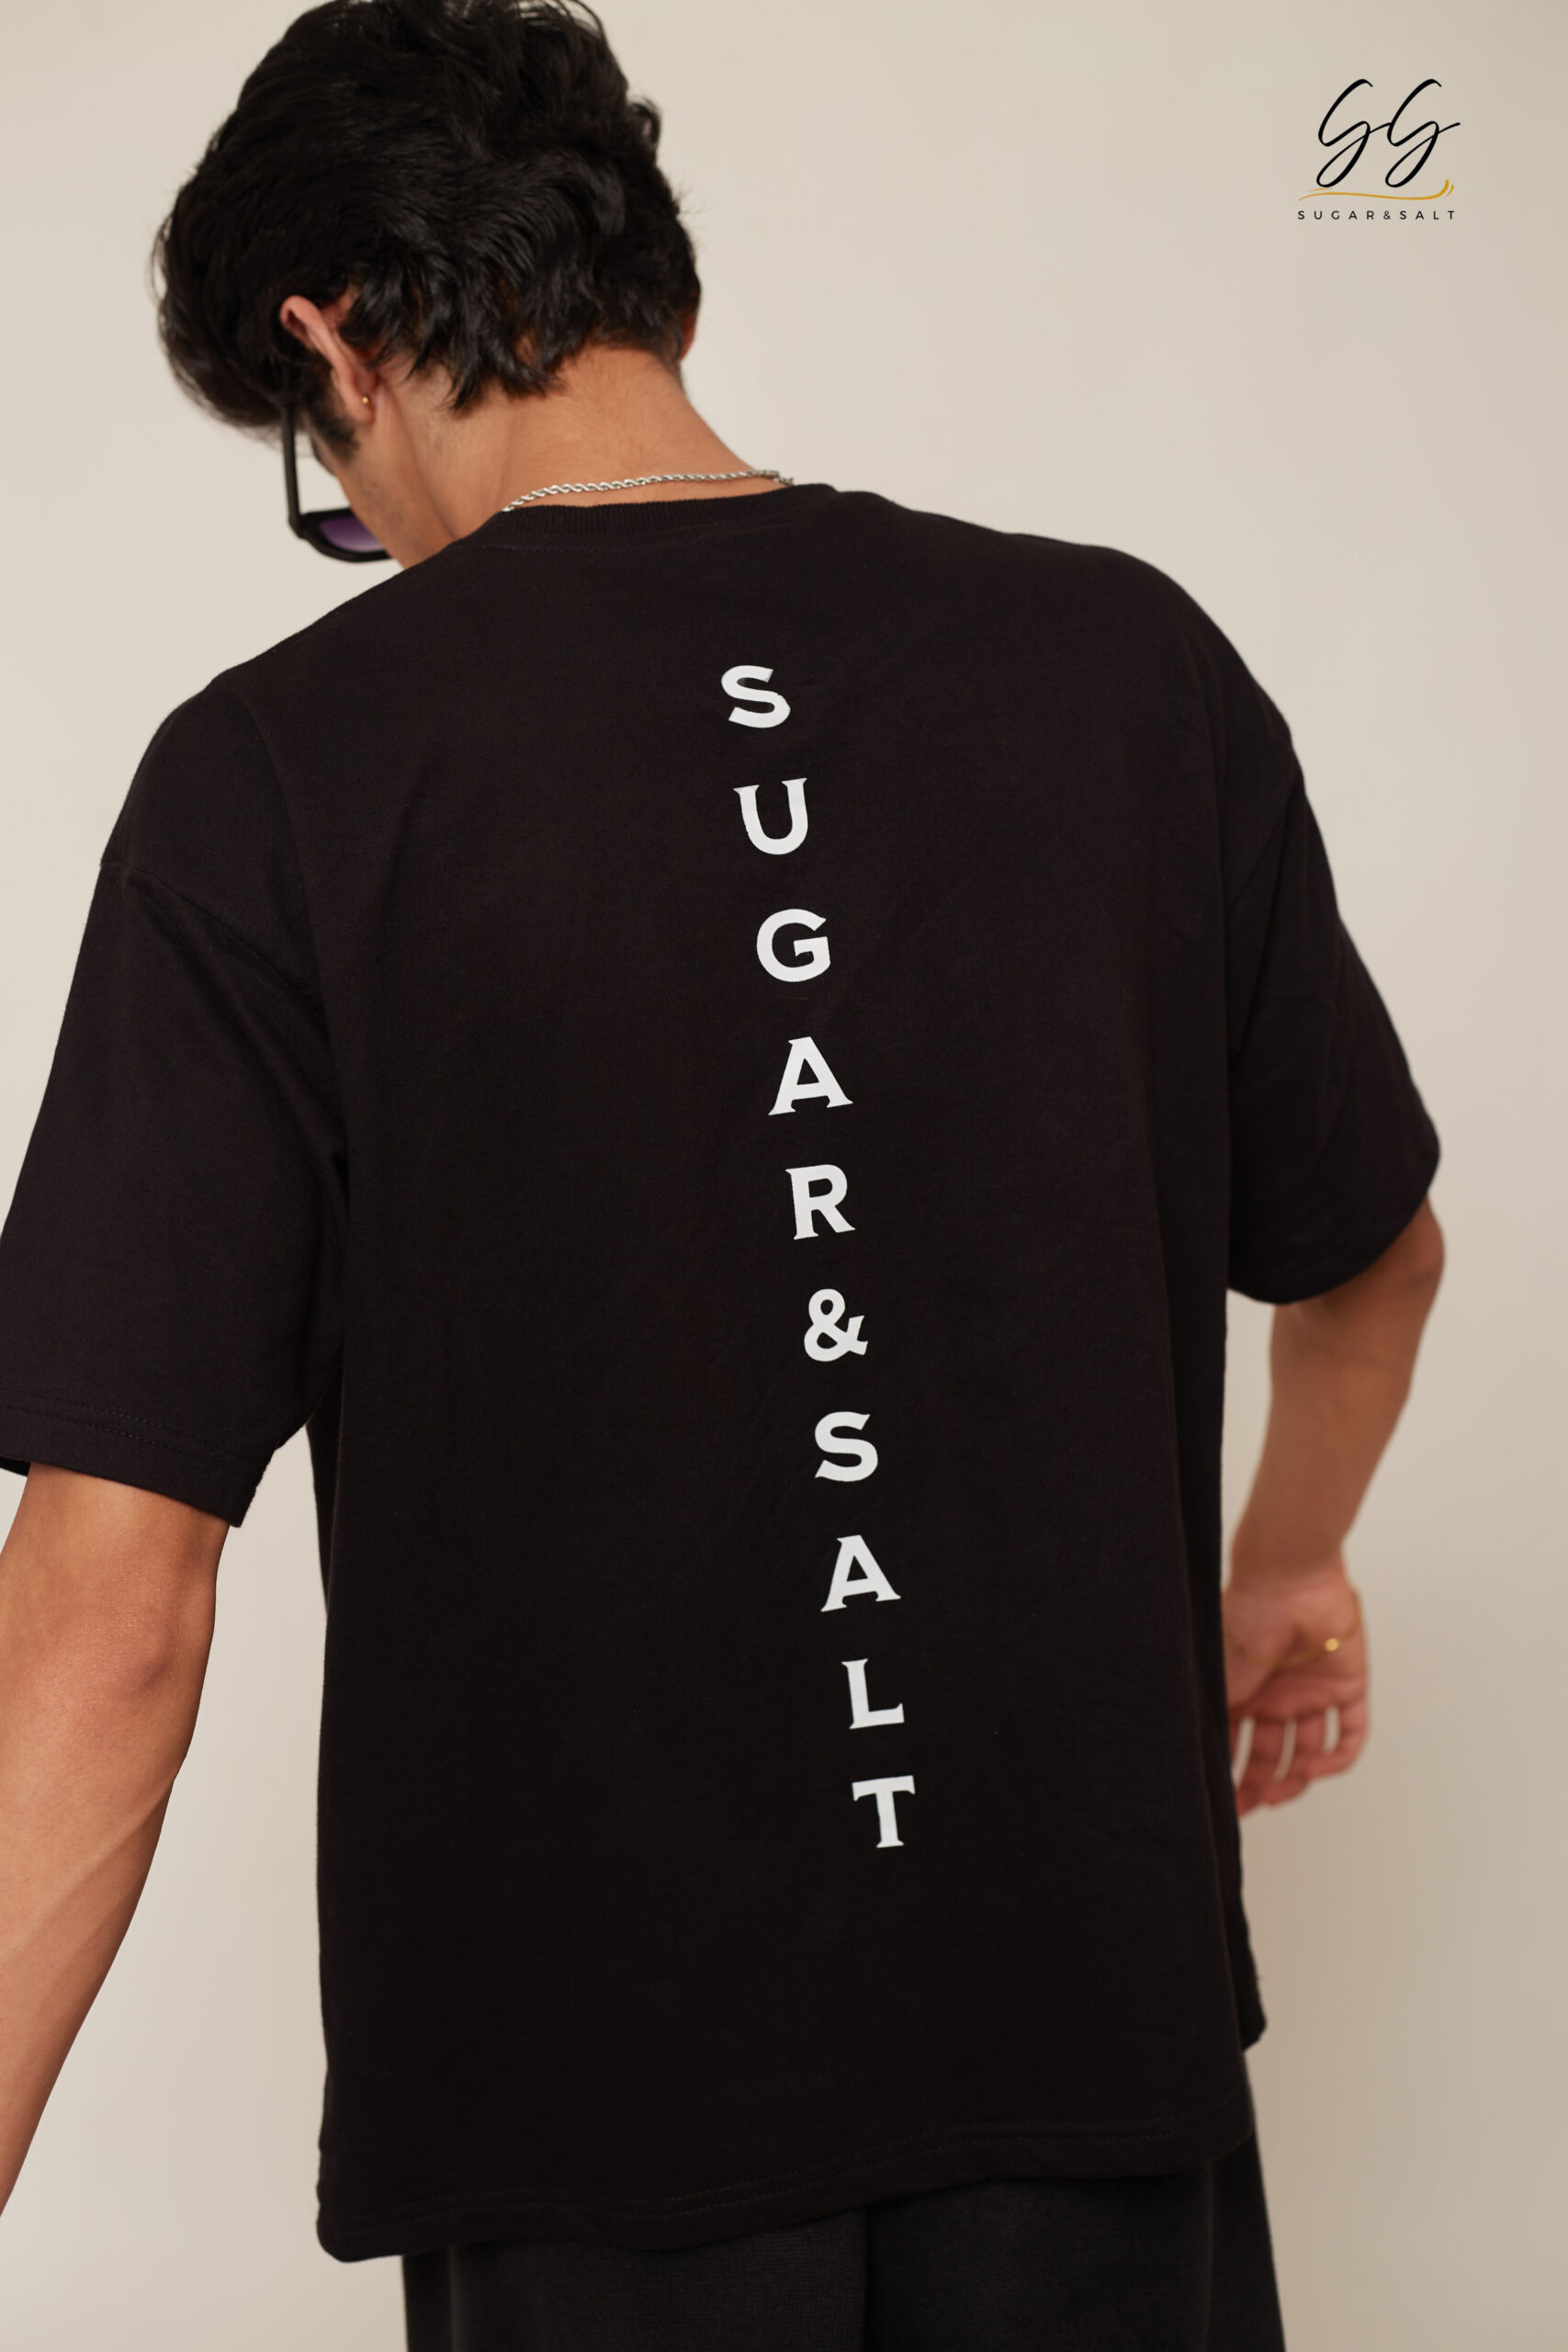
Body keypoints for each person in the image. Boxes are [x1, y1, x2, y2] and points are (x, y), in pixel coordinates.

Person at [0, 3, 1443, 2344]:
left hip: (602, 2120)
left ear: (332, 341)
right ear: (648, 284)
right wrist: (1279, 1567)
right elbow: (1371, 1256)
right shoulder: (1128, 667)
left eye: (329, 481)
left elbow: (114, 1598)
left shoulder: (276, 776)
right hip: (1088, 2048)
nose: (370, 544)